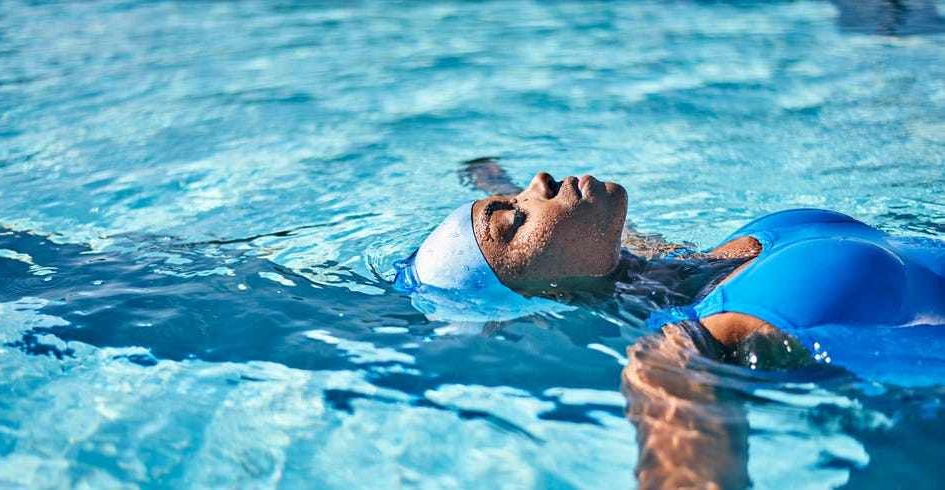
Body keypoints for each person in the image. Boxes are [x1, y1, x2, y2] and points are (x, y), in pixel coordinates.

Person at [393, 159, 945, 488]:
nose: (537, 182)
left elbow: (592, 249)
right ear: (536, 293)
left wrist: (491, 178)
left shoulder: (674, 264)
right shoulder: (675, 352)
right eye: (512, 219)